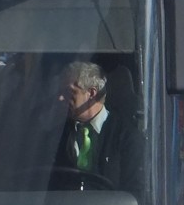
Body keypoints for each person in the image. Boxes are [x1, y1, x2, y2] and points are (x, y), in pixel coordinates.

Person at [53, 60, 145, 195]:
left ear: (91, 93)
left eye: (69, 92)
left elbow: (136, 195)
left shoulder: (128, 138)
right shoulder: (56, 135)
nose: (61, 98)